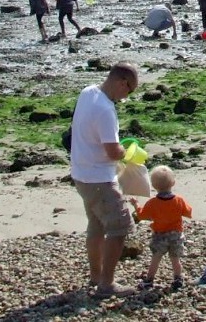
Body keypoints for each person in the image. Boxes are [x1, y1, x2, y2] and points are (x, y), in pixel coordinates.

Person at [69, 62, 140, 299]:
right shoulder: (105, 110)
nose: (126, 96)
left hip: (81, 173)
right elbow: (112, 151)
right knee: (120, 227)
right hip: (99, 177)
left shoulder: (88, 92)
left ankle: (95, 275)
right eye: (128, 91)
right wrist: (127, 152)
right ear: (122, 83)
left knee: (96, 224)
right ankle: (107, 284)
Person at [128, 165, 193, 290]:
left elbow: (141, 215)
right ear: (173, 183)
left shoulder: (152, 203)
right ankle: (178, 278)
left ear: (153, 186)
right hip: (176, 234)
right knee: (175, 259)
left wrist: (136, 204)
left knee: (156, 258)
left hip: (159, 235)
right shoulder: (179, 200)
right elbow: (188, 213)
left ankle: (149, 280)